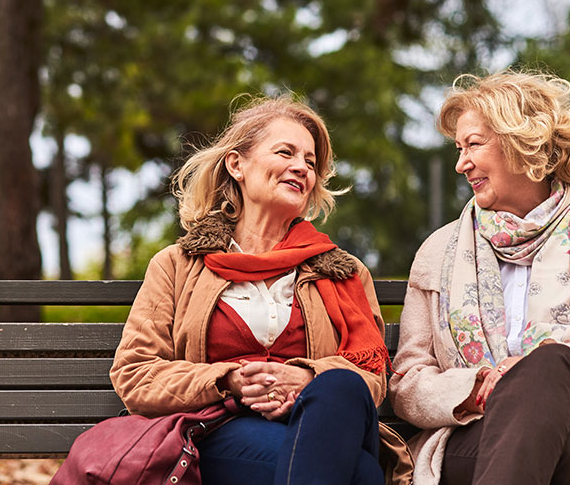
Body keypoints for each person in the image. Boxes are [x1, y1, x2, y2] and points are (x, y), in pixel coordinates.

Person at [111, 95, 411, 485]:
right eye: (285, 152)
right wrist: (228, 380)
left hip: (328, 422)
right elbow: (136, 373)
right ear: (237, 164)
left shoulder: (342, 271)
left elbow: (370, 377)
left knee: (340, 385)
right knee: (361, 473)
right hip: (223, 426)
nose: (301, 168)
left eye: (310, 162)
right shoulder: (177, 265)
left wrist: (306, 378)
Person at [389, 71, 570, 485]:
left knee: (549, 365)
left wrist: (545, 366)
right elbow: (408, 382)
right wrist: (476, 387)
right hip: (476, 431)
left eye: (473, 144)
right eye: (459, 149)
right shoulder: (439, 252)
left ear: (523, 142)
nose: (461, 163)